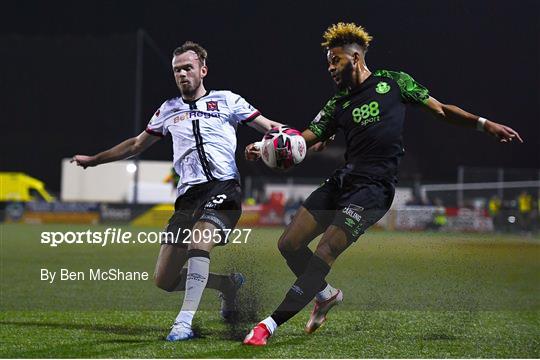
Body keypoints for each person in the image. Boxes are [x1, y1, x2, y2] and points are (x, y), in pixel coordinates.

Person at [243, 22, 523, 346]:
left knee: (325, 250)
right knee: (288, 244)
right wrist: (267, 148)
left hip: (374, 189)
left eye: (335, 60)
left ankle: (269, 325)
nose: (331, 68)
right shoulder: (338, 104)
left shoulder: (394, 82)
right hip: (344, 181)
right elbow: (304, 140)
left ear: (356, 57)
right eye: (328, 63)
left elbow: (442, 110)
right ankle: (325, 295)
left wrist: (485, 125)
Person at [71, 41, 284, 341]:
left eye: (188, 67)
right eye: (177, 70)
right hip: (188, 198)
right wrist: (94, 161)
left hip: (224, 187)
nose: (182, 74)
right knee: (164, 279)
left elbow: (270, 127)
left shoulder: (228, 101)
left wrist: (303, 139)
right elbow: (135, 145)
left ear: (203, 70)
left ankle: (183, 323)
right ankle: (227, 285)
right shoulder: (168, 110)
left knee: (200, 240)